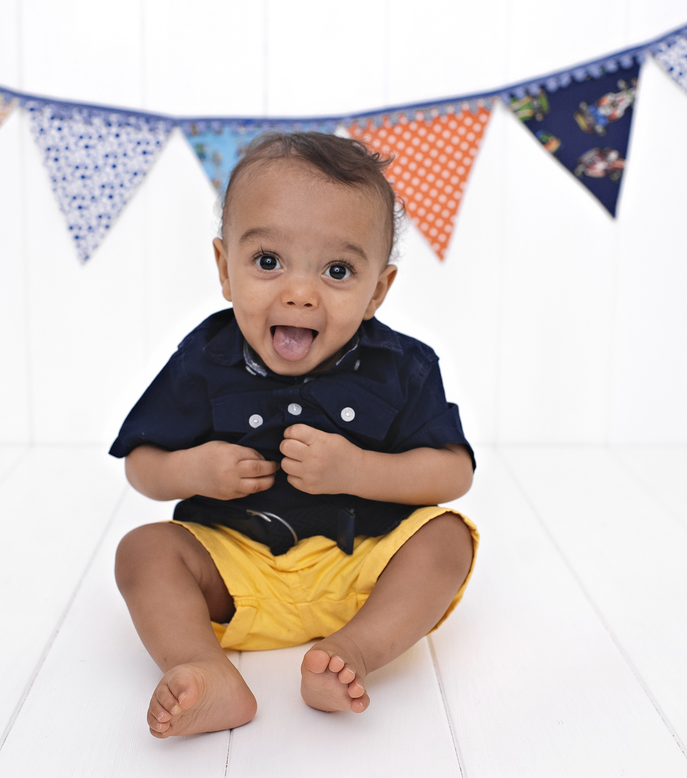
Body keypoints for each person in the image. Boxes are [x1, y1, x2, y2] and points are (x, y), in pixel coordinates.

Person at [110, 132, 478, 738]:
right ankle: (203, 669)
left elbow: (452, 474)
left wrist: (359, 471)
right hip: (235, 572)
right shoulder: (206, 357)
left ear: (376, 291)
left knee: (446, 540)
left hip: (362, 568)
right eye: (267, 262)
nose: (299, 293)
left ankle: (354, 651)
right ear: (225, 268)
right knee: (143, 551)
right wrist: (197, 470)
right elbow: (142, 465)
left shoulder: (402, 365)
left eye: (337, 270)